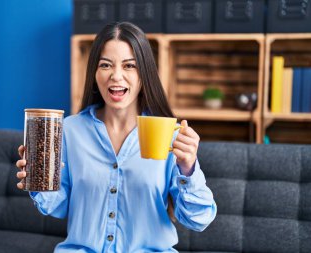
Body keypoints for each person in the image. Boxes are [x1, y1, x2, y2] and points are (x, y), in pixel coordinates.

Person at [16, 22, 216, 253]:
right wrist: (39, 180)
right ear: (94, 72)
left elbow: (199, 220)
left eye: (129, 65)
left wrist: (188, 169)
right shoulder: (70, 130)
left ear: (144, 73)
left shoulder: (170, 135)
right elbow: (59, 207)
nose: (116, 76)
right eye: (105, 65)